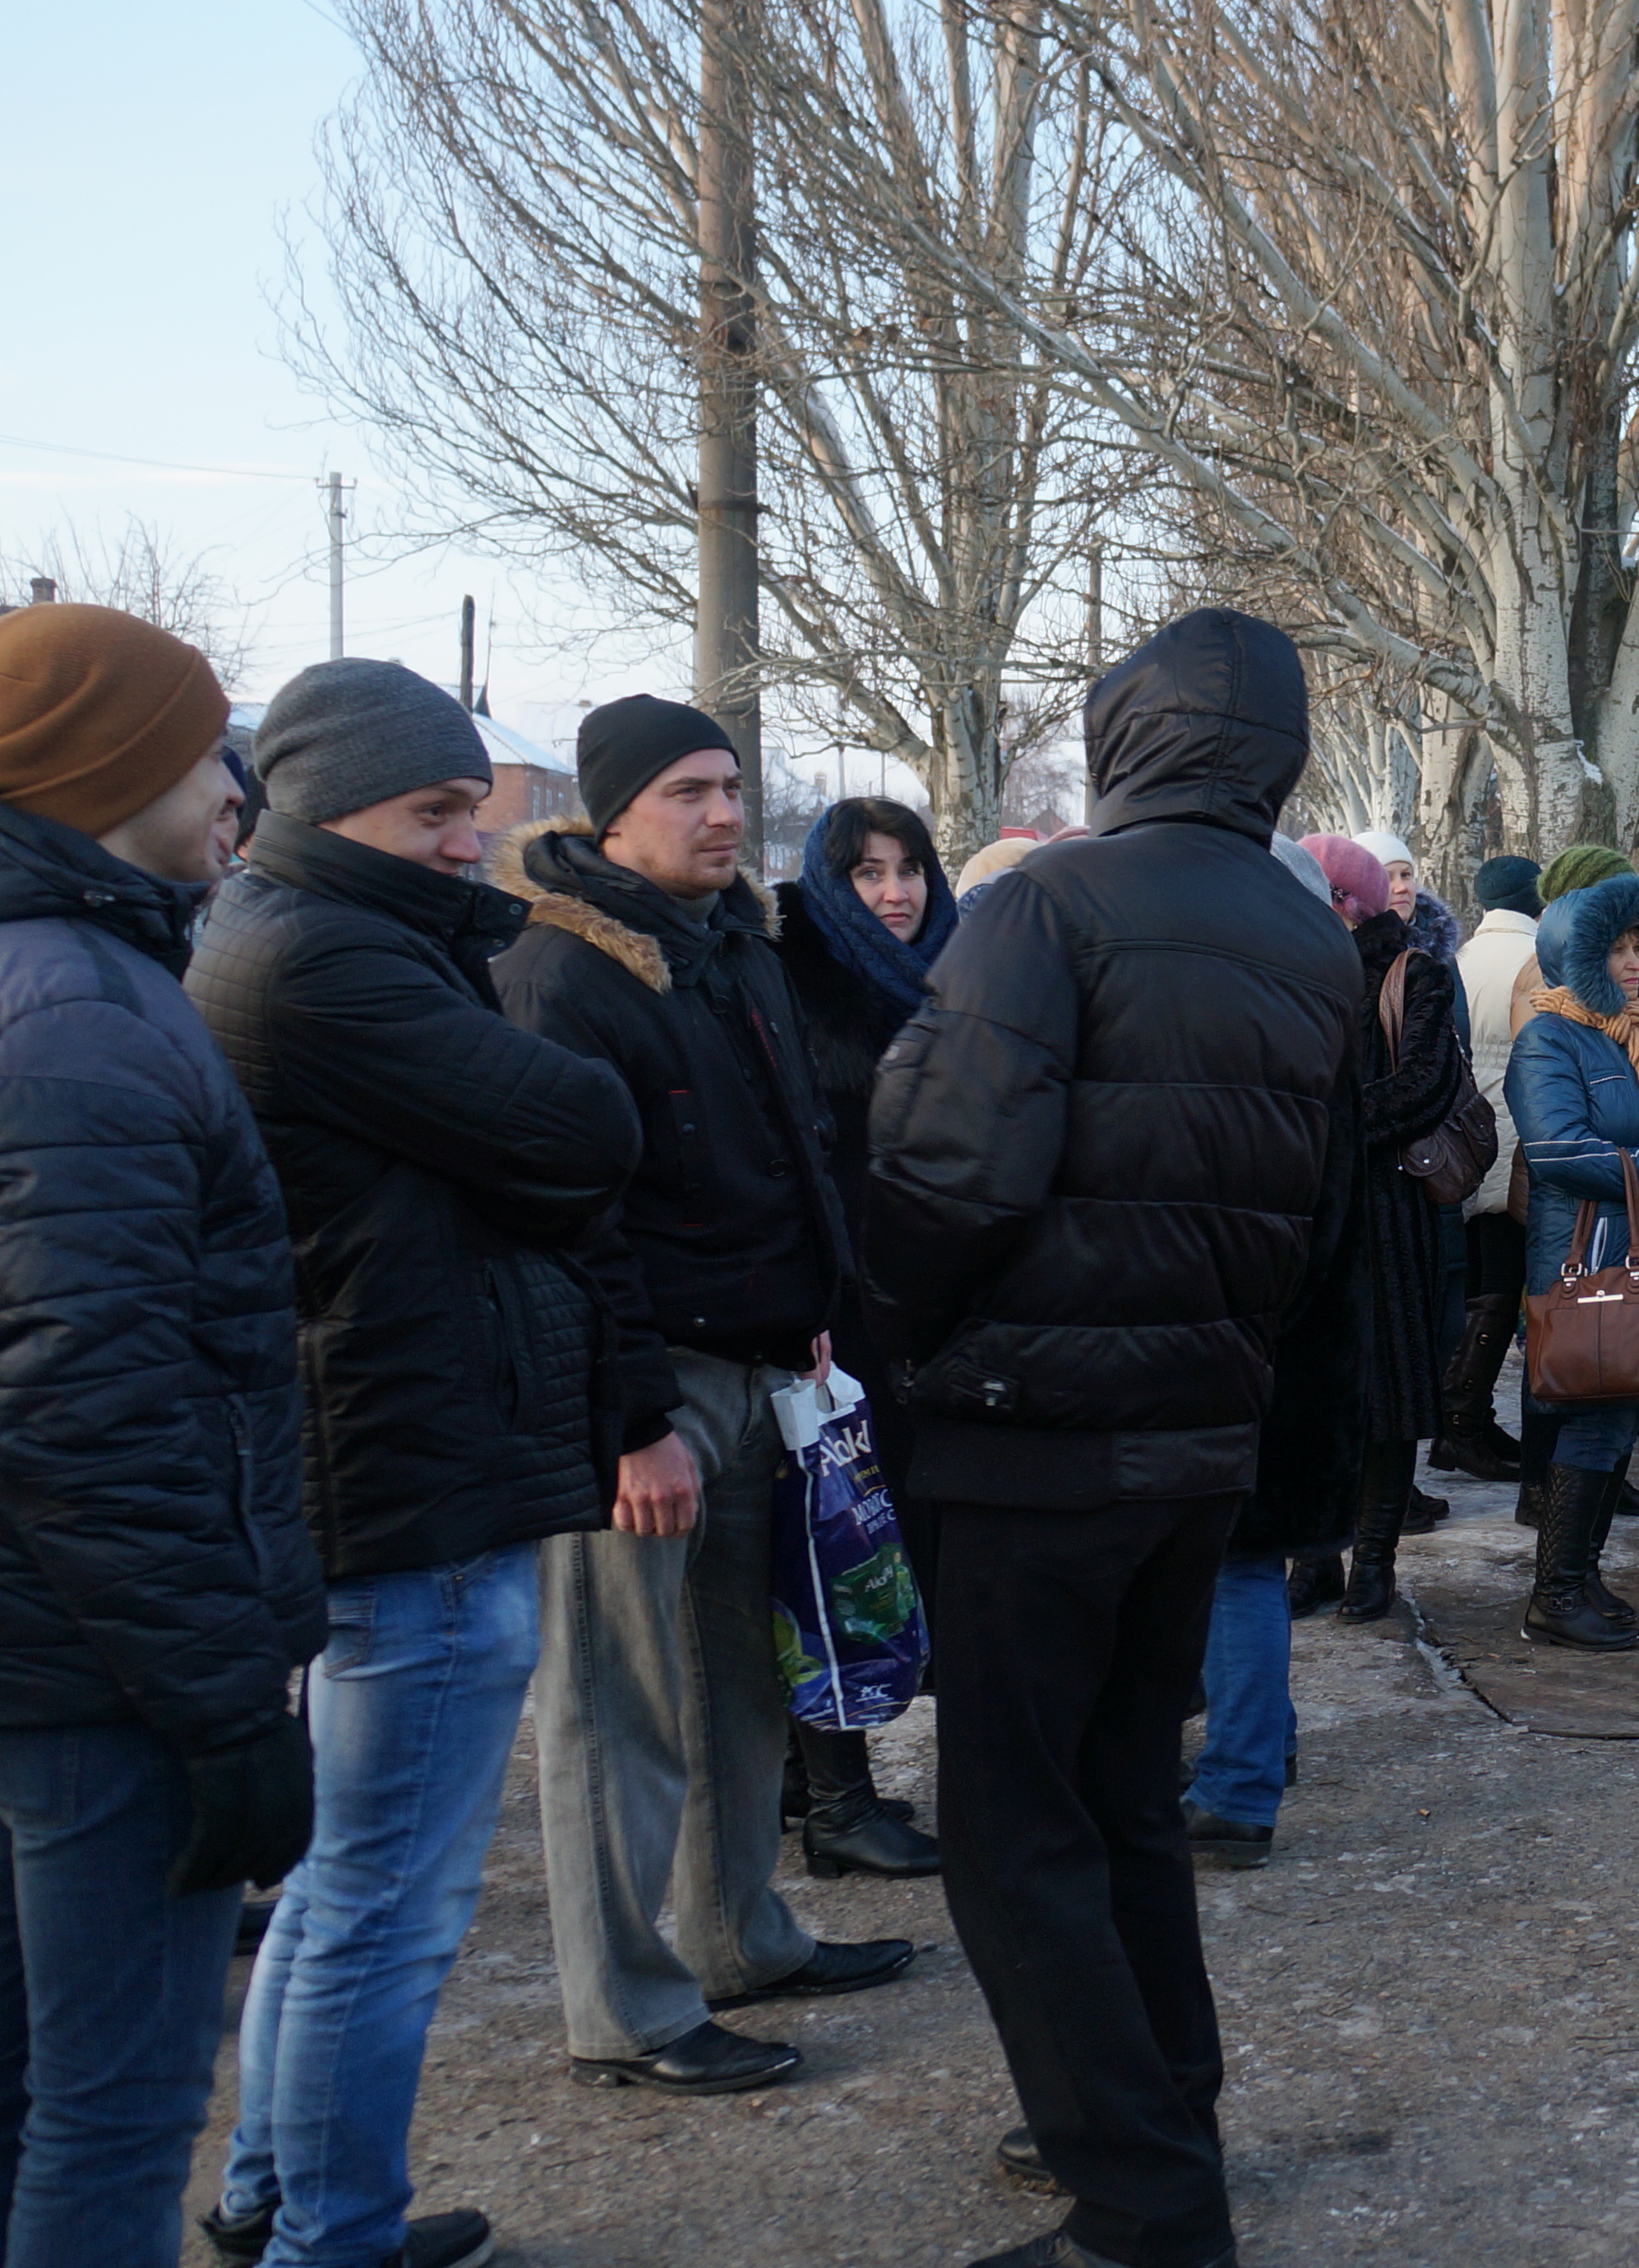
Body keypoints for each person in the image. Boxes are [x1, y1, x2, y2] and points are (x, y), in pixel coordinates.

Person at [865, 609, 1362, 2268]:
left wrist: (914, 1343)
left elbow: (944, 1170)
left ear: (1124, 735)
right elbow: (1328, 1215)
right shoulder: (1308, 940)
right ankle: (1164, 2113)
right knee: (1121, 1798)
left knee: (1015, 1831)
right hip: (1196, 1435)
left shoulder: (1045, 905)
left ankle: (1143, 2196)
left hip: (1034, 1432)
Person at [187, 662, 643, 2268]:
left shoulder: (334, 940)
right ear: (328, 810)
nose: (474, 841)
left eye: (473, 805)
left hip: (400, 1451)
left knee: (341, 1881)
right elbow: (589, 1127)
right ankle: (335, 2235)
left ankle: (276, 2194)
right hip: (410, 1472)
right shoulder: (321, 963)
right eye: (437, 811)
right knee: (389, 1903)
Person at [496, 696, 907, 2098]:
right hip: (646, 1390)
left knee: (741, 1682)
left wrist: (816, 1320)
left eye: (732, 787)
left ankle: (740, 1937)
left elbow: (797, 1152)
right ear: (610, 811)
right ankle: (623, 2006)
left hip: (761, 1368)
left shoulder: (735, 941)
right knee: (620, 1708)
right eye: (688, 791)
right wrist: (628, 1421)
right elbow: (568, 1222)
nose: (725, 815)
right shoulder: (560, 974)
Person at [0, 606, 315, 2268]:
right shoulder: (79, 1019)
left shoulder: (81, 981)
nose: (230, 790)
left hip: (57, 1649)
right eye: (204, 750)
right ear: (103, 766)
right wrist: (221, 1711)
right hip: (96, 1678)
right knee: (113, 2107)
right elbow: (84, 1405)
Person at [1181, 835, 1463, 1870]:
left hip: (1253, 1320)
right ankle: (1260, 1751)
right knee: (1243, 1560)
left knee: (1228, 1561)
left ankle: (1241, 1777)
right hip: (1302, 1317)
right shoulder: (1318, 1010)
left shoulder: (1268, 1021)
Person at [768, 794, 954, 1883]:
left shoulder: (954, 970)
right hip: (833, 1321)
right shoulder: (792, 976)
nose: (894, 892)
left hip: (921, 1310)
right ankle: (836, 1794)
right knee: (831, 1546)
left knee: (883, 1545)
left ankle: (820, 1776)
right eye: (867, 873)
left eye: (908, 868)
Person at [1504, 874, 1639, 1645]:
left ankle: (1579, 1574)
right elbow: (1558, 1150)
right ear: (1578, 954)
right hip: (1588, 1254)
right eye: (1616, 948)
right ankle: (1555, 1594)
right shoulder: (1549, 1035)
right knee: (1593, 1421)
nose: (1633, 961)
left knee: (1620, 1418)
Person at [1442, 854, 1545, 1482]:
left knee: (1480, 1285)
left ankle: (1467, 1418)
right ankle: (1461, 1422)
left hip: (1467, 1142)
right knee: (1504, 1293)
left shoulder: (1461, 958)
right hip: (1516, 1143)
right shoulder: (1532, 962)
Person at [1352, 825, 1461, 969]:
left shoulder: (1440, 948)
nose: (1402, 887)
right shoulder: (1346, 953)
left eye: (1405, 875)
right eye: (1386, 878)